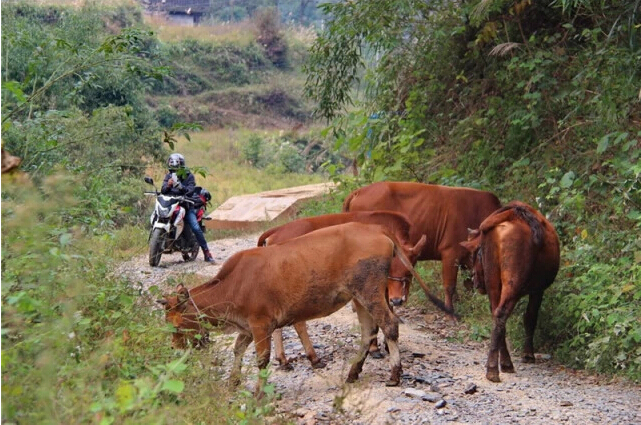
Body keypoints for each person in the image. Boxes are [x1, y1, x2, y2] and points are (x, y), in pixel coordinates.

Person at [161, 153, 215, 263]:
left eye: (176, 168)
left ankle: (207, 253)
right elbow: (163, 190)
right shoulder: (168, 176)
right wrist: (168, 185)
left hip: (186, 206)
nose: (174, 171)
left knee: (195, 227)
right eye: (172, 169)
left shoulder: (189, 176)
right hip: (171, 205)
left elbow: (190, 191)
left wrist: (180, 187)